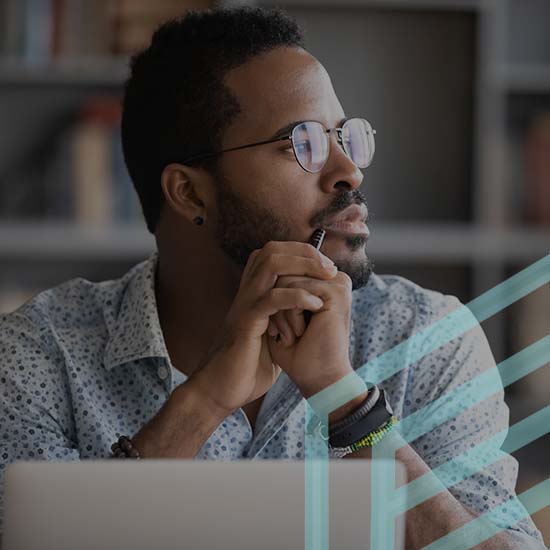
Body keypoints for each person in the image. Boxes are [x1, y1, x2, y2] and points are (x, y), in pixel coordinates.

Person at [0, 6, 545, 549]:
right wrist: (205, 401)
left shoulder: (425, 338)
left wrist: (347, 404)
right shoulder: (42, 352)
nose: (348, 171)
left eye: (343, 137)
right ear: (190, 193)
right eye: (302, 145)